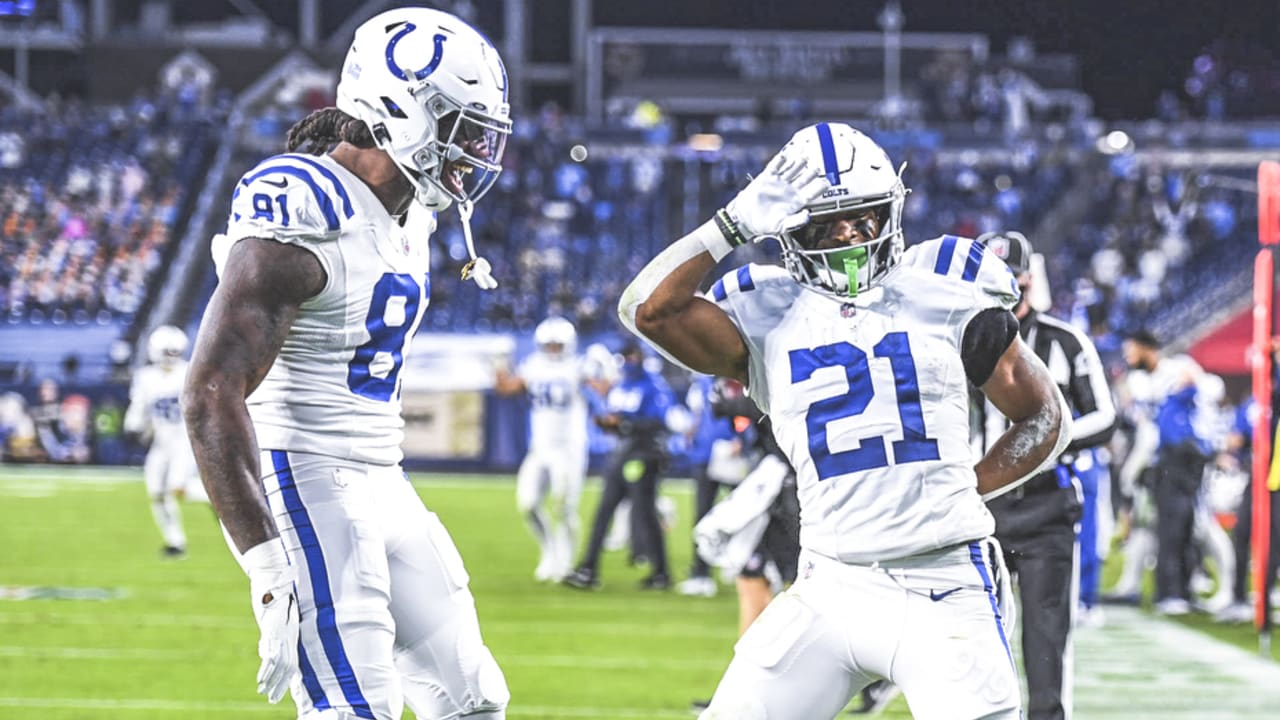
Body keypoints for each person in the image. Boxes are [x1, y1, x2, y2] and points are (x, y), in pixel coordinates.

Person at [618, 121, 1070, 720]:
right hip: (828, 582)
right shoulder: (766, 309)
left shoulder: (947, 284)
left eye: (864, 217)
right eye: (827, 224)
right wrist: (729, 226)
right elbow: (648, 311)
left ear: (893, 212)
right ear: (787, 230)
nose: (850, 236)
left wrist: (969, 485)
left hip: (944, 576)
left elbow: (1044, 415)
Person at [182, 8, 512, 718]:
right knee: (353, 710)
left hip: (383, 476)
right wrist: (267, 568)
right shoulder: (305, 207)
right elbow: (212, 390)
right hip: (308, 480)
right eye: (460, 127)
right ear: (400, 114)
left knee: (473, 700)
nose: (477, 151)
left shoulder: (411, 208)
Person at [972, 231, 1116, 720]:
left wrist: (1043, 441)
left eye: (1009, 280)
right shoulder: (955, 341)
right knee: (970, 639)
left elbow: (1105, 417)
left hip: (1045, 505)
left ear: (1028, 280)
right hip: (979, 505)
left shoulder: (1063, 340)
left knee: (1047, 637)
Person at [1117, 330, 1226, 615]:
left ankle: (1215, 582)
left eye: (1132, 350)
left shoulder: (1179, 368)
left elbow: (1214, 390)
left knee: (1197, 523)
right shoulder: (1137, 381)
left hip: (1186, 459)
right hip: (1156, 462)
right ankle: (1138, 583)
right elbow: (1144, 425)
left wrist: (1196, 381)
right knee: (1151, 524)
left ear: (1147, 348)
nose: (1128, 357)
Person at [494, 315, 607, 582]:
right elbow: (505, 388)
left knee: (564, 506)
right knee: (528, 504)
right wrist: (499, 362)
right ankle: (549, 550)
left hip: (569, 448)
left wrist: (606, 368)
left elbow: (602, 389)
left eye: (558, 344)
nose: (554, 349)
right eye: (550, 344)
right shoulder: (533, 365)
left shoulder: (579, 366)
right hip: (540, 448)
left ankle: (565, 561)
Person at [564, 341, 675, 590]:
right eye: (628, 357)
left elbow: (660, 423)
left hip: (645, 455)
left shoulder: (654, 385)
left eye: (635, 356)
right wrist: (609, 424)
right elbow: (618, 418)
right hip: (623, 453)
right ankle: (588, 568)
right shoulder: (622, 385)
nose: (632, 361)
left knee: (644, 515)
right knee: (603, 512)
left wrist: (624, 424)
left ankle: (661, 573)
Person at [124, 325, 201, 557]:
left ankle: (222, 499)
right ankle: (175, 541)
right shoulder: (146, 377)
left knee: (178, 488)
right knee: (156, 491)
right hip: (161, 441)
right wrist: (134, 426)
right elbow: (140, 408)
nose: (169, 356)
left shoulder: (188, 372)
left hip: (185, 440)